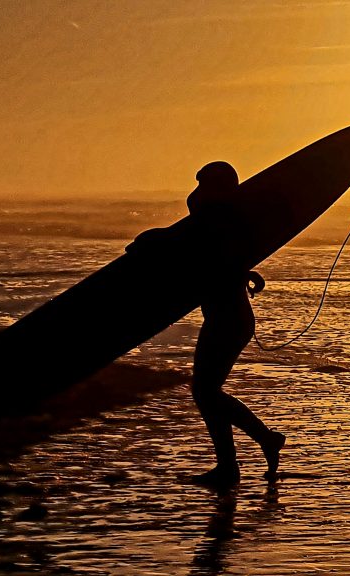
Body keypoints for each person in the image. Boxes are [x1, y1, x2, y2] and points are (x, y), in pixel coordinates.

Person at [128, 161, 285, 488]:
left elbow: (196, 251)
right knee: (207, 392)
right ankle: (234, 462)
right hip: (228, 320)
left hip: (230, 321)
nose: (197, 192)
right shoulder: (220, 223)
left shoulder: (219, 223)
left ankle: (259, 444)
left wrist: (150, 241)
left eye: (204, 184)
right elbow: (210, 254)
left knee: (205, 391)